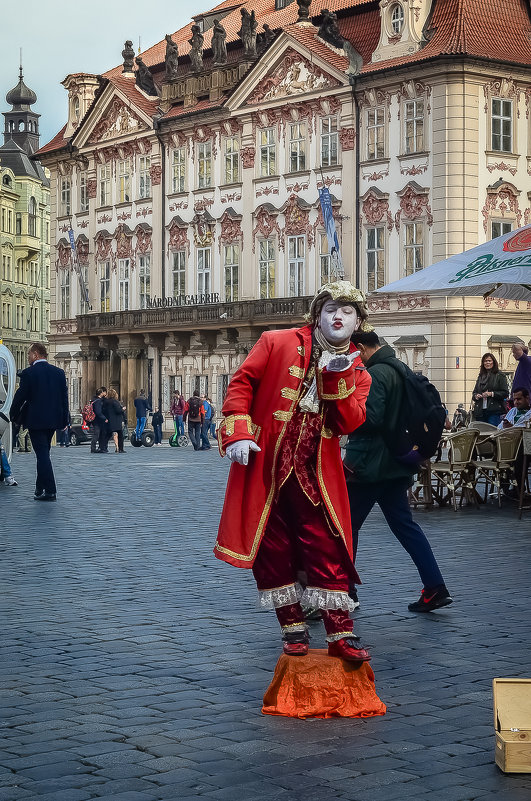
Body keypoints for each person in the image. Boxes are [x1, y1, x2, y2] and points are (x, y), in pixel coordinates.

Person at [215, 281, 372, 663]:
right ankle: (292, 629)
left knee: (328, 546)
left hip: (316, 473)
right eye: (332, 308)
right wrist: (236, 430)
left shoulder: (359, 371)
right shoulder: (276, 341)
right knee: (272, 548)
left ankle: (339, 633)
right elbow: (242, 384)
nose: (339, 316)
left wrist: (335, 378)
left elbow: (348, 422)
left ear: (358, 322)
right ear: (317, 313)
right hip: (266, 466)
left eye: (348, 312)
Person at [344, 331, 452, 613]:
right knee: (406, 526)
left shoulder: (377, 373)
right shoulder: (400, 367)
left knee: (347, 526)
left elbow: (372, 417)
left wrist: (344, 414)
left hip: (369, 464)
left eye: (352, 352)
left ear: (362, 348)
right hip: (396, 462)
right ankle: (435, 586)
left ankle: (345, 592)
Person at [10, 342, 69, 501]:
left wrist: (12, 414)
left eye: (29, 355)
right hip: (54, 420)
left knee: (42, 454)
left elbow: (20, 397)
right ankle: (39, 487)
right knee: (44, 453)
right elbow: (64, 398)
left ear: (36, 354)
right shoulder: (58, 373)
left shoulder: (29, 373)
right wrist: (65, 419)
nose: (28, 358)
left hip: (35, 420)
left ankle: (50, 490)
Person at [471, 353, 508, 427]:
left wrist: (491, 394)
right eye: (485, 361)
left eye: (489, 361)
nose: (487, 363)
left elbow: (505, 393)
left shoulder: (500, 375)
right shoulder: (481, 376)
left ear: (493, 362)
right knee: (481, 434)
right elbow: (474, 392)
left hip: (494, 411)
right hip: (480, 411)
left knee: (492, 432)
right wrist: (476, 396)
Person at [105, 388, 127, 453]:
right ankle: (120, 448)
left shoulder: (106, 402)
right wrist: (123, 409)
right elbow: (118, 411)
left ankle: (103, 447)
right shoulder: (115, 402)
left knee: (107, 435)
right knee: (120, 435)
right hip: (116, 421)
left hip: (109, 420)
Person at [90, 387, 109, 454]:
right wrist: (104, 418)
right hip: (98, 420)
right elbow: (98, 412)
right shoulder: (98, 401)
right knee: (97, 434)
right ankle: (93, 448)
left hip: (96, 420)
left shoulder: (94, 400)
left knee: (100, 434)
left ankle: (100, 447)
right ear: (101, 393)